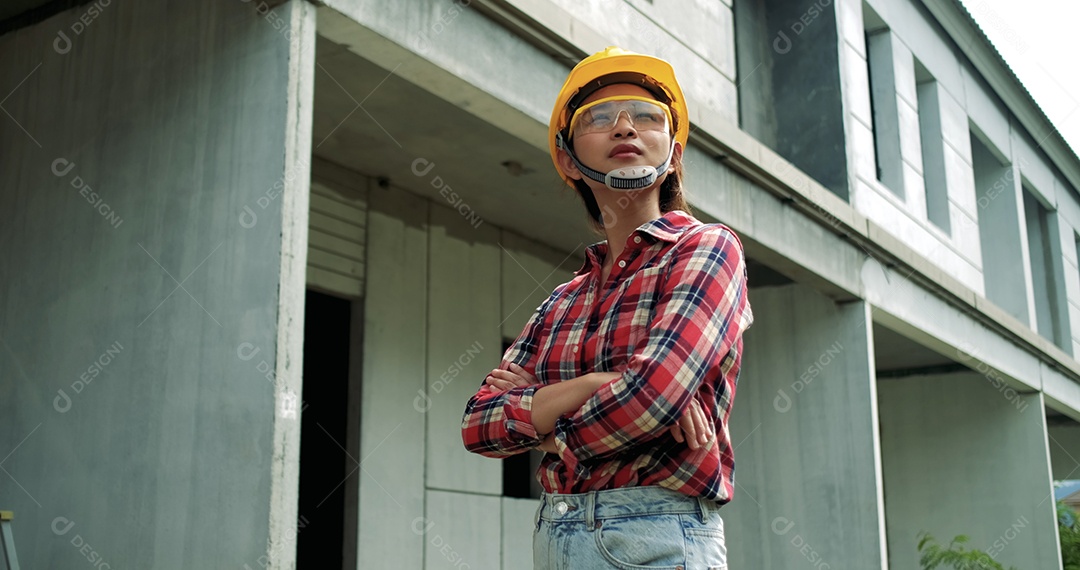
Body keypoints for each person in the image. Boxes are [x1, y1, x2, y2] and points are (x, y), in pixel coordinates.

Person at [461, 46, 754, 569]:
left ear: (675, 152)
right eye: (599, 118)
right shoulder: (563, 300)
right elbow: (480, 424)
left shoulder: (707, 250)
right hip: (556, 531)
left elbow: (651, 396)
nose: (625, 127)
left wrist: (545, 423)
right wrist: (596, 386)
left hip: (658, 533)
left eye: (647, 116)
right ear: (569, 160)